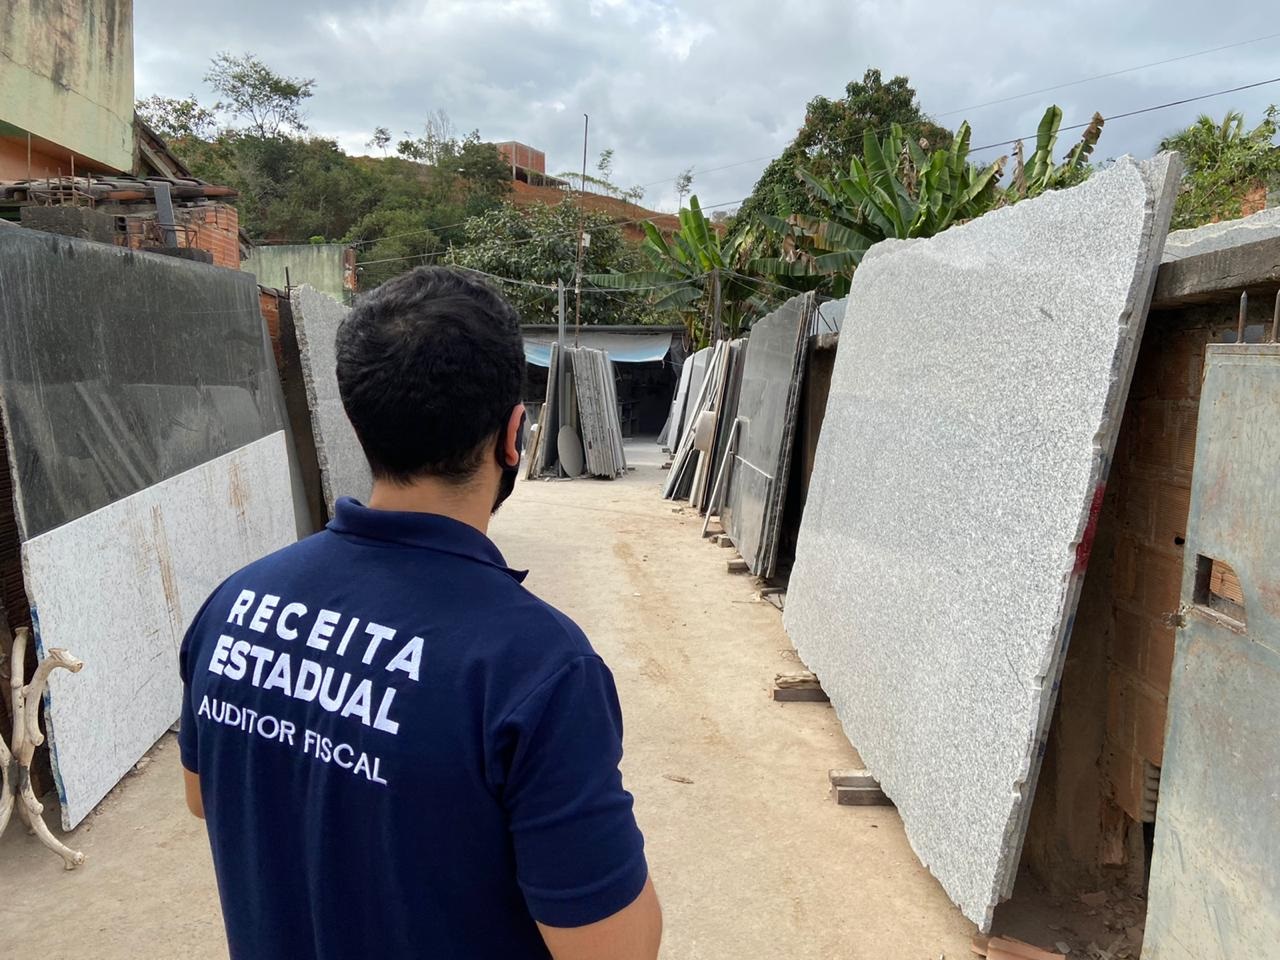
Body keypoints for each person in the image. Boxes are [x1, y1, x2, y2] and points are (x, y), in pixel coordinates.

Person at [178, 266, 661, 960]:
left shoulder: (234, 602)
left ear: (357, 422)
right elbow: (615, 950)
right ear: (514, 435)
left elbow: (204, 796)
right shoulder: (539, 668)